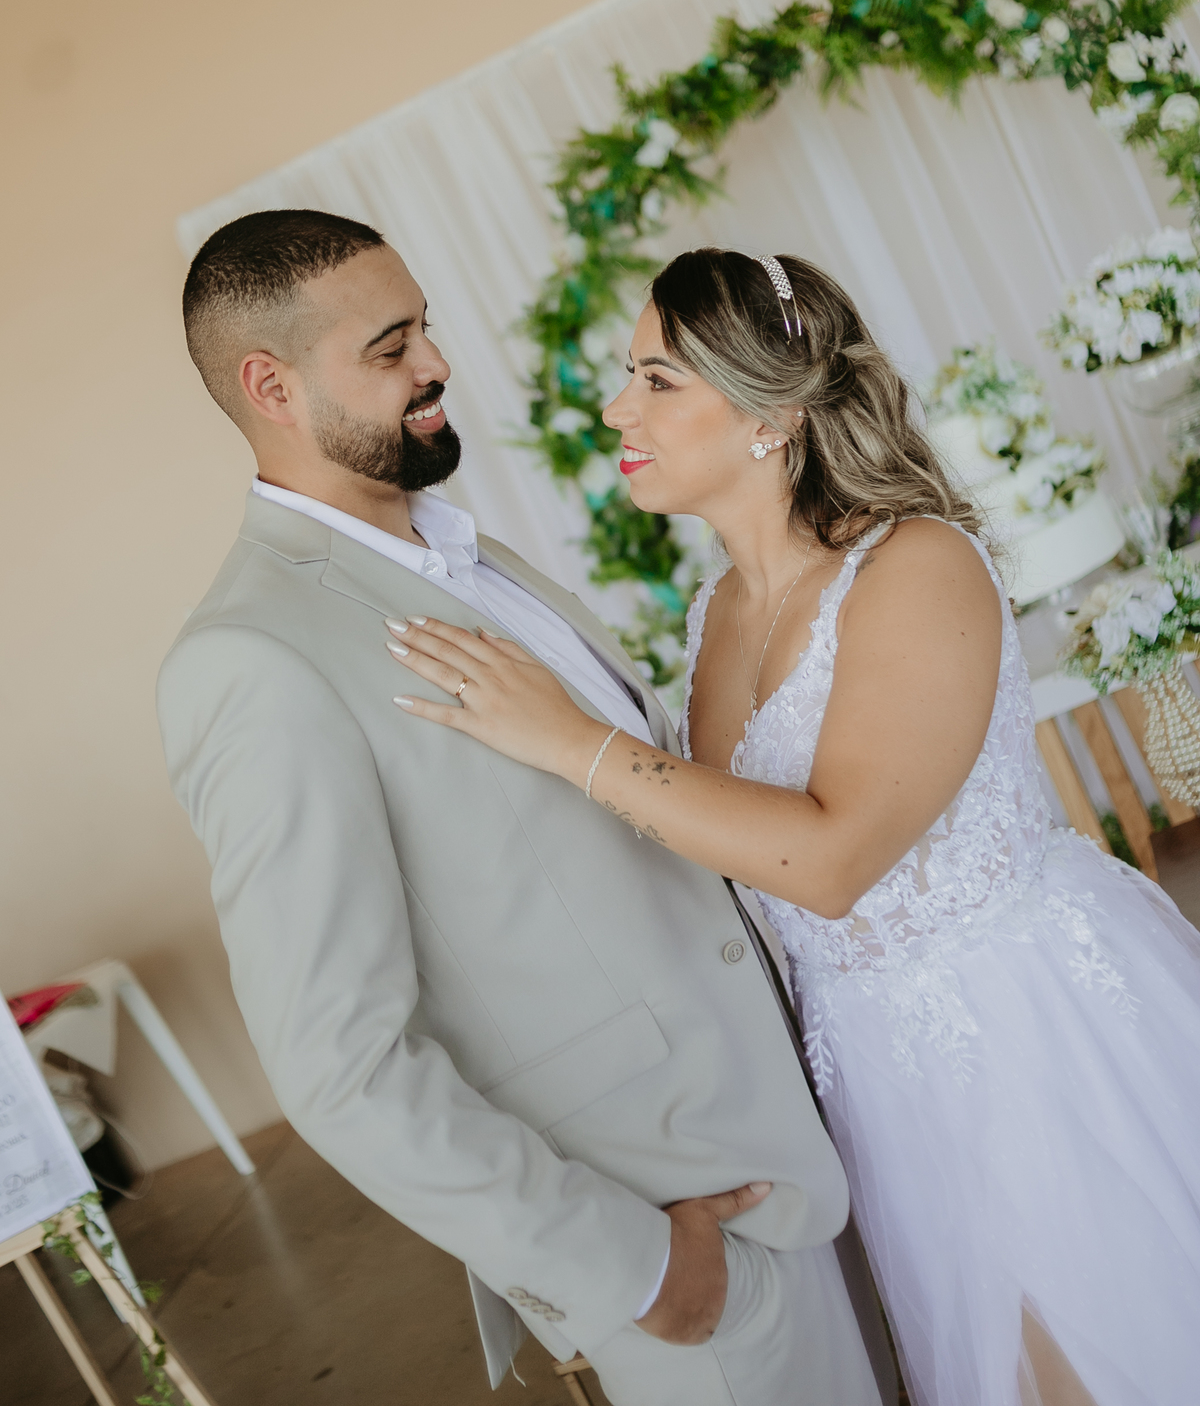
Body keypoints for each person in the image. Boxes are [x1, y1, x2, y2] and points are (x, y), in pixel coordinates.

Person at [389, 245, 1200, 1406]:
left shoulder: (916, 564)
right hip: (863, 1073)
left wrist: (571, 742)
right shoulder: (715, 612)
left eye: (657, 380)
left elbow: (830, 860)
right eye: (628, 375)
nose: (618, 410)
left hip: (1023, 1039)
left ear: (771, 414)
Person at [157, 211, 893, 1406]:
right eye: (391, 348)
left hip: (816, 1142)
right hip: (690, 1235)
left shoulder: (466, 554)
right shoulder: (250, 659)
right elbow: (340, 1066)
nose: (436, 363)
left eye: (425, 328)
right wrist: (633, 1271)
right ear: (270, 387)